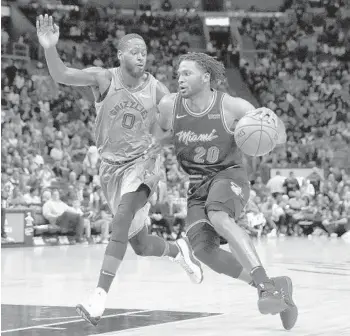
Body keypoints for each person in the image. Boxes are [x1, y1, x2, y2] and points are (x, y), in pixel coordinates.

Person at [36, 15, 201, 326]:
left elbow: (171, 129)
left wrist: (172, 136)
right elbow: (61, 73)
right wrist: (49, 48)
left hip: (144, 164)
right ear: (120, 55)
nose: (141, 56)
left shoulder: (156, 89)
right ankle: (178, 249)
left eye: (144, 52)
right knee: (140, 245)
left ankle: (99, 295)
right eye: (134, 51)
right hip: (111, 170)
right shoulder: (104, 79)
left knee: (122, 215)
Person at [158, 52, 298, 330]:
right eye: (178, 73)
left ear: (206, 77)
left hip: (228, 175)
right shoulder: (168, 106)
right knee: (203, 251)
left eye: (187, 73)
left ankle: (266, 286)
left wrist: (264, 127)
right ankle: (272, 286)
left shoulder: (233, 107)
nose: (180, 78)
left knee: (219, 215)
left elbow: (279, 135)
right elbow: (159, 137)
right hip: (196, 185)